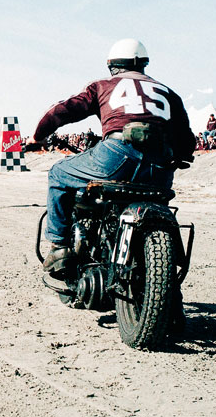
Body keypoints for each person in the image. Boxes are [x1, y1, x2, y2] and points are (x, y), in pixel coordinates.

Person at [30, 38, 195, 280]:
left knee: (58, 174)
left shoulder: (104, 85)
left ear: (112, 66)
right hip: (159, 168)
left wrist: (38, 137)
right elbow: (186, 138)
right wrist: (180, 157)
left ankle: (59, 247)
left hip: (116, 155)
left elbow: (62, 111)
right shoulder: (169, 93)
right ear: (143, 66)